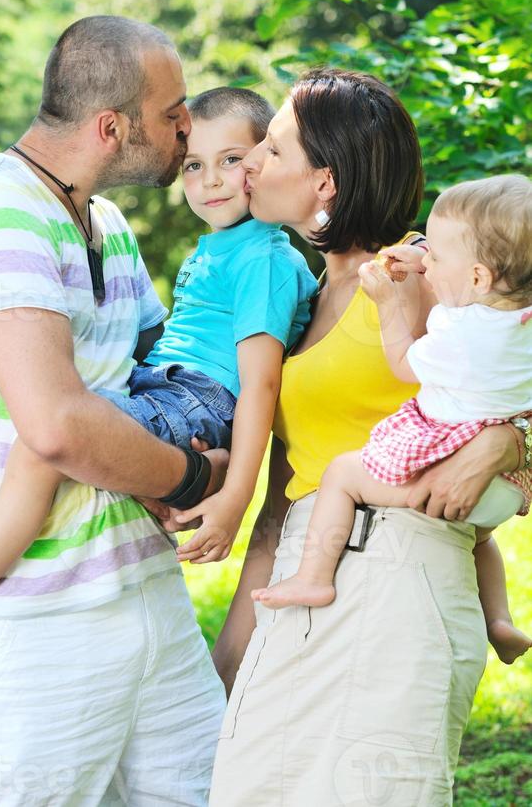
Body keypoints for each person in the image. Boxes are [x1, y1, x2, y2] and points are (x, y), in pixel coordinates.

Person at [206, 69, 532, 807]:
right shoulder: (304, 294)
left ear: (326, 179)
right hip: (308, 570)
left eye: (273, 148)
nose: (249, 162)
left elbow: (508, 372)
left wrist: (508, 445)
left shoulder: (417, 273)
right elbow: (292, 482)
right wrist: (243, 626)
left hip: (400, 570)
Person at [0, 16, 230, 807]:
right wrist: (190, 476)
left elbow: (151, 374)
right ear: (112, 127)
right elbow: (58, 426)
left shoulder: (107, 224)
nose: (189, 127)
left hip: (150, 596)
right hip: (38, 618)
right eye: (174, 111)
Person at [0, 87, 317, 624]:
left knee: (46, 442)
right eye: (194, 165)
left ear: (266, 160)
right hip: (169, 388)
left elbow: (262, 383)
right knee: (75, 431)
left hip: (200, 398)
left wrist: (235, 494)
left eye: (232, 161)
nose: (212, 180)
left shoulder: (261, 260)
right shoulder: (227, 247)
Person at [251, 174, 532, 665]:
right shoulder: (518, 323)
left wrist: (386, 307)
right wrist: (428, 262)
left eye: (438, 257)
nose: (429, 261)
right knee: (482, 538)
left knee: (344, 475)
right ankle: (499, 619)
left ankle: (313, 576)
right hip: (506, 486)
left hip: (442, 467)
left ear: (478, 276)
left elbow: (405, 362)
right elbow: (465, 288)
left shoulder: (457, 336)